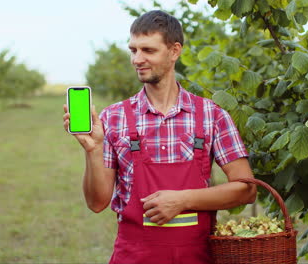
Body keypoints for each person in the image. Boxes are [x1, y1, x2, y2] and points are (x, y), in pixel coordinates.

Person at [63, 10, 257, 264]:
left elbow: (246, 189)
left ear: (175, 51)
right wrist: (93, 150)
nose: (137, 59)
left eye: (148, 50)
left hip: (197, 257)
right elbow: (97, 203)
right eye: (133, 50)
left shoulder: (211, 116)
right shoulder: (114, 118)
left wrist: (182, 199)